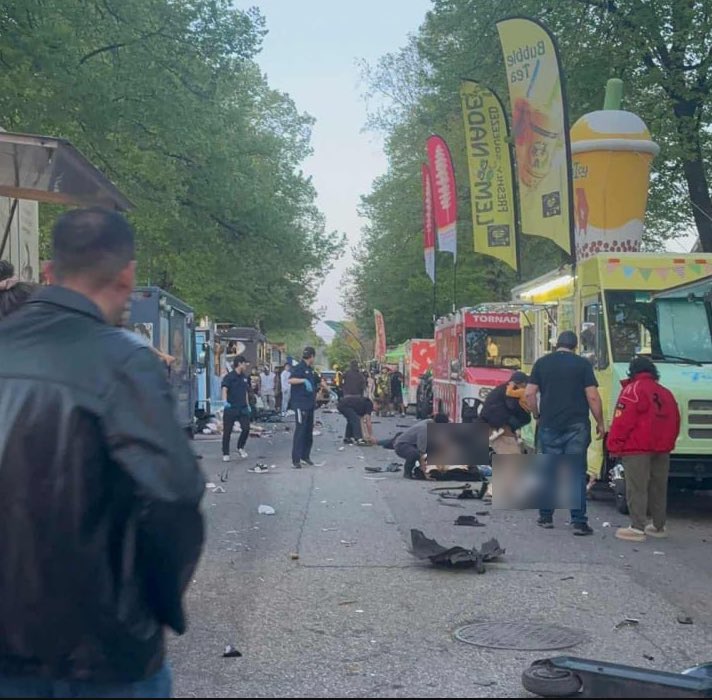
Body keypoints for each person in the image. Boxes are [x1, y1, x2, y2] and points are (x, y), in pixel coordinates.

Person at [0, 208, 204, 698]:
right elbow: (173, 497)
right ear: (127, 274)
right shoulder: (124, 360)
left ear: (49, 270)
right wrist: (157, 607)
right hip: (103, 651)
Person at [525, 330, 605, 536]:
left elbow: (529, 393)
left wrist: (536, 414)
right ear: (575, 346)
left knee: (548, 470)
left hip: (549, 424)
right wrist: (600, 422)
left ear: (556, 344)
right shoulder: (583, 365)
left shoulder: (542, 363)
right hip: (576, 426)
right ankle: (578, 522)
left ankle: (545, 517)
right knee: (576, 472)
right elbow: (593, 396)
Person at [607, 357, 680, 542]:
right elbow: (675, 420)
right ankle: (658, 525)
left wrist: (614, 445)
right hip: (662, 448)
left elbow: (623, 421)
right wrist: (669, 443)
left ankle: (637, 527)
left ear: (632, 371)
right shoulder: (665, 392)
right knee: (658, 487)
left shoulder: (632, 390)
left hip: (637, 447)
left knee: (637, 487)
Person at [480, 371, 531, 454]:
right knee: (513, 458)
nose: (526, 386)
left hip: (492, 419)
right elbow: (512, 407)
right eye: (525, 384)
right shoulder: (510, 392)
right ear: (519, 383)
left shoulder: (503, 388)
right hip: (497, 423)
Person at [394, 412, 449, 479]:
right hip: (402, 445)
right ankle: (407, 472)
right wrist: (425, 472)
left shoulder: (430, 422)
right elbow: (421, 453)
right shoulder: (425, 429)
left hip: (413, 444)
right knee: (415, 454)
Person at [289, 346, 318, 469]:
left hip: (309, 404)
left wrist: (329, 391)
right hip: (300, 404)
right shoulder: (299, 368)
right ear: (311, 356)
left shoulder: (310, 369)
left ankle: (305, 456)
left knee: (308, 431)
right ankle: (296, 459)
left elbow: (317, 382)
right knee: (300, 431)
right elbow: (291, 380)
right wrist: (303, 381)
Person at [222, 355, 252, 461]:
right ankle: (226, 453)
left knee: (246, 428)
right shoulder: (229, 377)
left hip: (242, 407)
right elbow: (224, 389)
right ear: (239, 364)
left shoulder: (244, 377)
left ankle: (240, 447)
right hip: (231, 407)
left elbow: (245, 392)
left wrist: (248, 405)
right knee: (227, 431)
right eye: (244, 364)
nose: (245, 366)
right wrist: (225, 401)